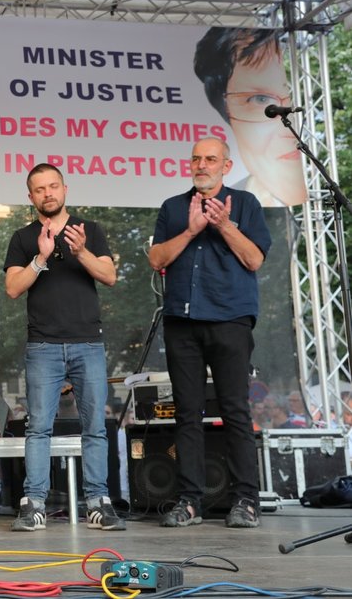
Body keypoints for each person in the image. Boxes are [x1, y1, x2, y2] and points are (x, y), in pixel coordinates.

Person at [149, 137, 271, 528]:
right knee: (187, 414)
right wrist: (190, 230)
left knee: (235, 410)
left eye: (211, 159)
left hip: (230, 319)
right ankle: (189, 501)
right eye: (196, 158)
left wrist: (222, 224)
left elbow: (254, 259)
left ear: (226, 165)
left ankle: (246, 500)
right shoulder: (172, 207)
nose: (202, 164)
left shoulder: (246, 204)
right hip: (182, 322)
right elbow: (156, 259)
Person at [4, 162, 124, 531]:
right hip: (43, 346)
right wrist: (40, 258)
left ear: (65, 188)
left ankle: (98, 502)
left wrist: (81, 251)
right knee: (38, 427)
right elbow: (12, 288)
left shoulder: (90, 230)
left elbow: (109, 276)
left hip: (88, 342)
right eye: (40, 189)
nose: (48, 193)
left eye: (53, 186)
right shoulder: (23, 238)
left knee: (95, 427)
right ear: (31, 197)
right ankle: (34, 503)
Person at [194, 28, 305, 207]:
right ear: (226, 111)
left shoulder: (324, 184)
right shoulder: (215, 205)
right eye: (260, 99)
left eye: (294, 99)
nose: (290, 127)